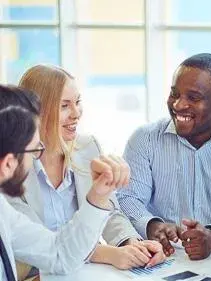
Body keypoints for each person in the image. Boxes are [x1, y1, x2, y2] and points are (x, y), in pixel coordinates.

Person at [4, 65, 163, 279]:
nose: (76, 113)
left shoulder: (87, 147)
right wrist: (108, 253)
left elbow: (107, 213)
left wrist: (131, 242)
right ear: (37, 113)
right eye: (65, 106)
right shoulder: (14, 173)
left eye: (78, 102)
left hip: (78, 268)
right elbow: (44, 244)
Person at [117, 53, 211, 261]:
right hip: (161, 258)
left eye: (193, 98)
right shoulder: (145, 138)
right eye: (174, 94)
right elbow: (127, 197)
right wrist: (152, 225)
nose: (178, 105)